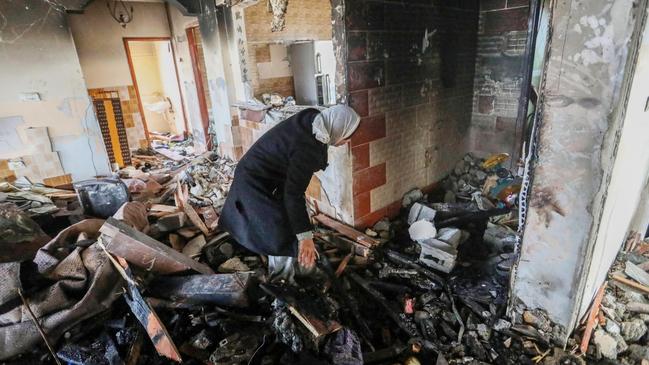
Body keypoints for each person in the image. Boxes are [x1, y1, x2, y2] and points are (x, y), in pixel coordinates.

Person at [218, 105, 360, 280]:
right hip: (254, 183)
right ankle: (281, 280)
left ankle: (302, 265)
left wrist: (303, 234)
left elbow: (293, 191)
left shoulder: (314, 121)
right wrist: (305, 238)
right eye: (346, 137)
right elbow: (293, 194)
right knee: (278, 233)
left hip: (264, 177)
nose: (346, 142)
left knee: (294, 221)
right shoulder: (307, 148)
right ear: (338, 129)